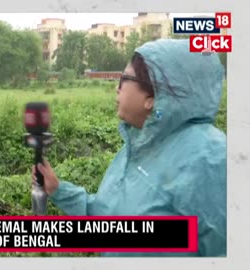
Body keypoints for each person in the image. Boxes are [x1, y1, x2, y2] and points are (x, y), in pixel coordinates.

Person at [32, 39, 226, 257]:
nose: (117, 88)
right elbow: (110, 218)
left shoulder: (212, 159)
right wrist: (58, 189)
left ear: (153, 96)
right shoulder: (138, 146)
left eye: (124, 79)